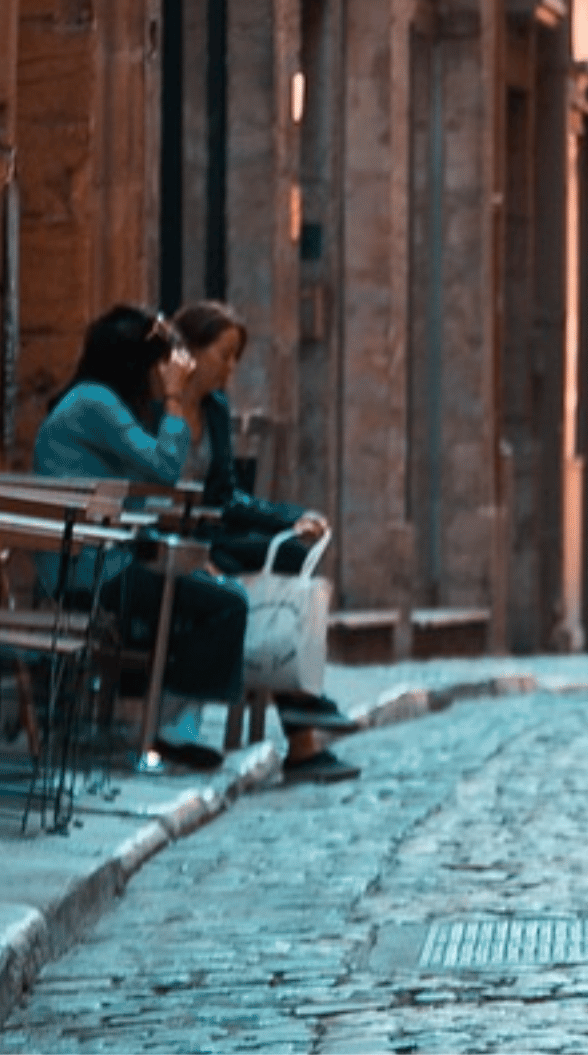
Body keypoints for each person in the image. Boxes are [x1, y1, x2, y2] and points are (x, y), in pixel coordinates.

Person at [30, 305, 250, 772]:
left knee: (210, 590)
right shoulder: (95, 404)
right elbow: (165, 468)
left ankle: (169, 725)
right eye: (161, 366)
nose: (166, 375)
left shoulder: (98, 403)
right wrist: (174, 398)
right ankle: (170, 730)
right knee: (225, 604)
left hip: (97, 557)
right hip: (89, 570)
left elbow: (142, 488)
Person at [169, 300, 363, 784]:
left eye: (236, 358)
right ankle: (303, 732)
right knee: (257, 593)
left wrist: (290, 519)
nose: (230, 368)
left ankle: (304, 720)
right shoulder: (157, 405)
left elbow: (227, 494)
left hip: (211, 531)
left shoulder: (215, 408)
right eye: (223, 354)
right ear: (189, 350)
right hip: (170, 538)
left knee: (295, 554)